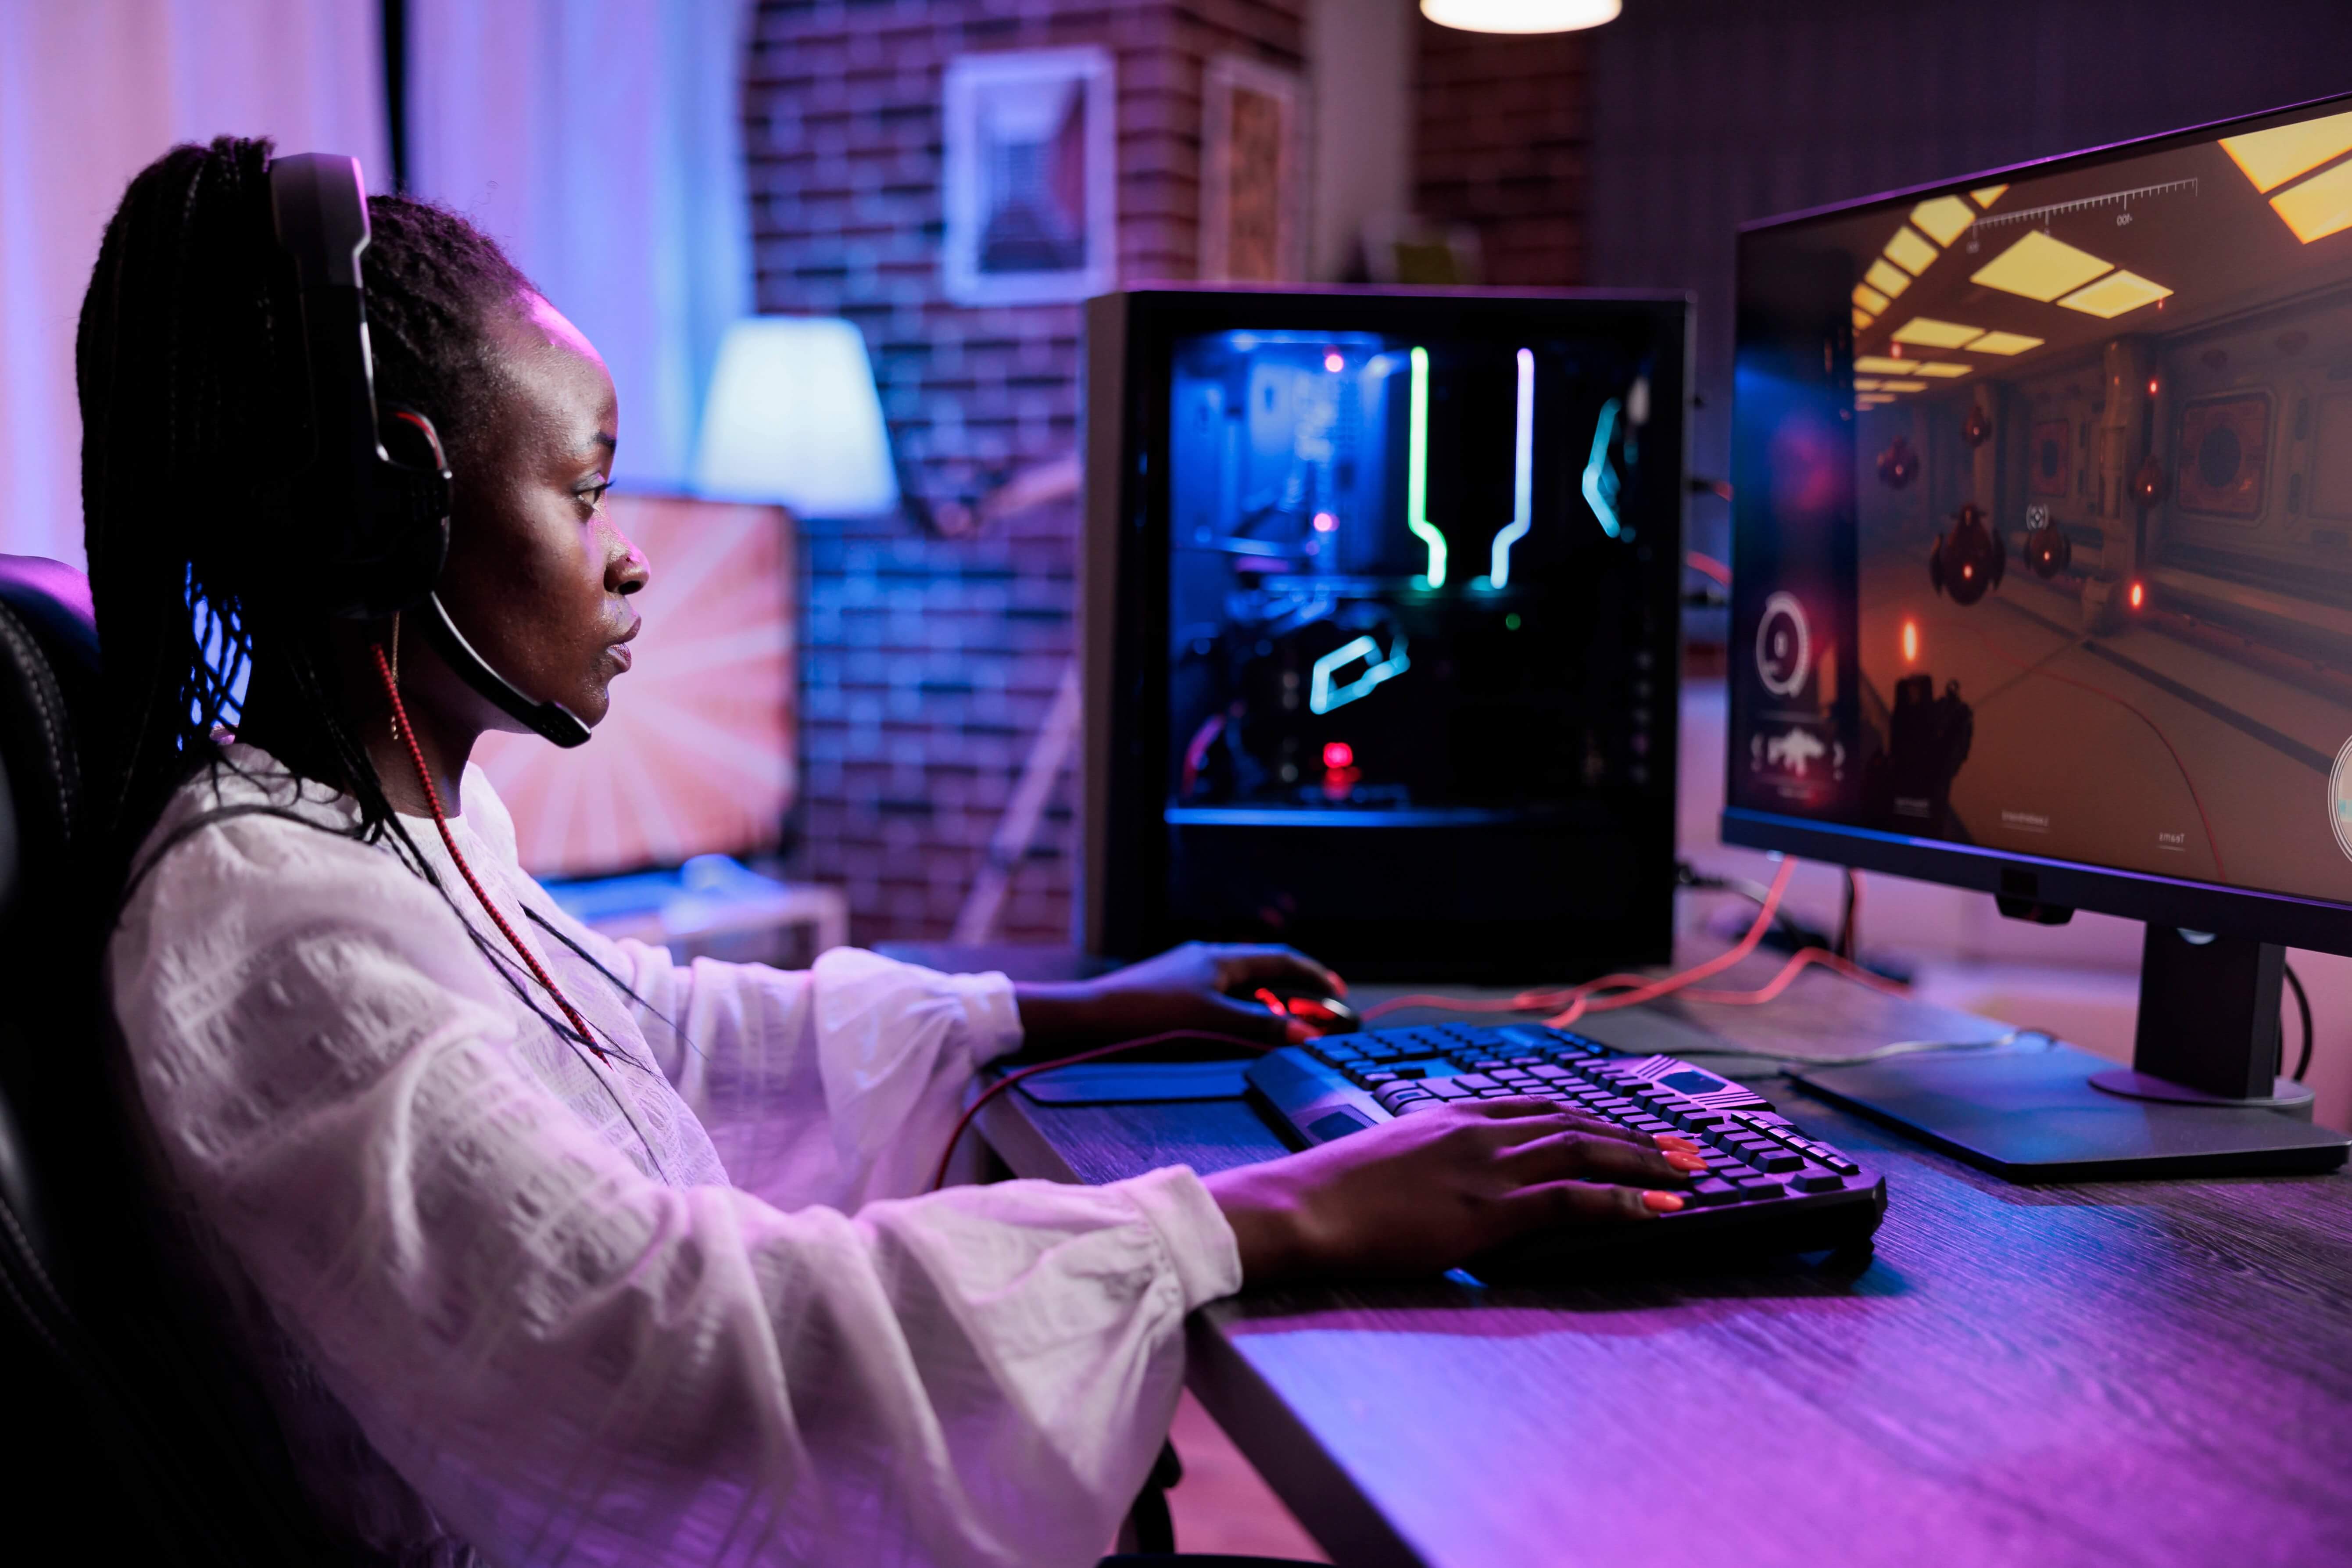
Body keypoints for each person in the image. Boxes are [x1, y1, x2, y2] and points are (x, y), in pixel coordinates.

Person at [83, 137, 1700, 1568]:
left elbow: (644, 1033)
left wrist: (1058, 1008)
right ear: (389, 513)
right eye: (584, 494)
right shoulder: (279, 928)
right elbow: (676, 1341)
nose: (630, 558)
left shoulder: (383, 838)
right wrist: (1267, 1217)